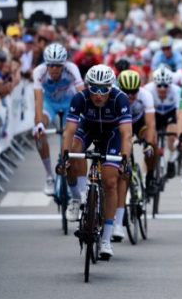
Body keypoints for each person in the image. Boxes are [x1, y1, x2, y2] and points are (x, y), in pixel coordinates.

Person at [57, 64, 133, 259]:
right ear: (87, 86)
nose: (99, 94)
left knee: (110, 181)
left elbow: (126, 134)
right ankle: (80, 196)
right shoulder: (80, 98)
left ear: (111, 87)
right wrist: (64, 156)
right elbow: (69, 131)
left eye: (104, 88)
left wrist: (125, 160)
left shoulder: (120, 99)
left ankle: (106, 239)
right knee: (74, 151)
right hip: (88, 129)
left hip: (112, 135)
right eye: (94, 88)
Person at [32, 43, 84, 195]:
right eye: (51, 65)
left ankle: (71, 172)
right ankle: (49, 176)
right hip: (49, 104)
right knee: (38, 133)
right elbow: (38, 100)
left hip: (69, 103)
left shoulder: (72, 68)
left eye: (58, 66)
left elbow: (82, 93)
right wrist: (39, 124)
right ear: (46, 64)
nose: (54, 69)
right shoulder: (39, 72)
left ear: (64, 64)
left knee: (72, 138)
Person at [113, 70, 157, 240]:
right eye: (127, 92)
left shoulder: (145, 96)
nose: (131, 96)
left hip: (138, 124)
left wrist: (148, 144)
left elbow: (151, 124)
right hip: (121, 125)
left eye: (134, 92)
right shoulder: (115, 96)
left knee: (152, 141)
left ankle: (150, 174)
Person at [143, 65, 181, 180]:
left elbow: (179, 114)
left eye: (166, 86)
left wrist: (178, 135)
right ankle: (146, 176)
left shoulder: (177, 91)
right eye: (159, 85)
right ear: (155, 84)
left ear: (170, 84)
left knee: (172, 131)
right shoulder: (147, 90)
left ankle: (171, 159)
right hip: (155, 115)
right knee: (149, 146)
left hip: (170, 115)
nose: (162, 89)